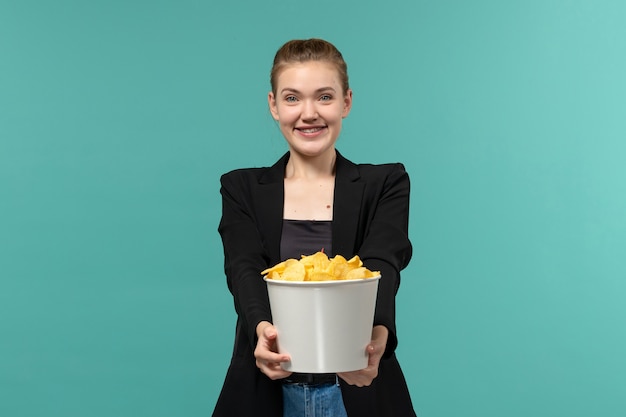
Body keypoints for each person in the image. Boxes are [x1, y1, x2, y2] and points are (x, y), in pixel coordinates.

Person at [213, 38, 416, 417]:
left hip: (358, 389)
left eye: (324, 97)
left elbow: (382, 262)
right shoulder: (241, 188)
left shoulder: (385, 183)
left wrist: (378, 337)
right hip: (266, 393)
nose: (309, 113)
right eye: (292, 98)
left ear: (346, 102)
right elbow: (243, 268)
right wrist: (262, 331)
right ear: (274, 105)